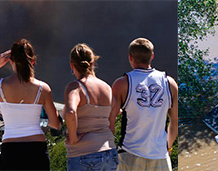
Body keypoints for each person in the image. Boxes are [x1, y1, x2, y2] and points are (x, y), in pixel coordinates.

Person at [0, 39, 61, 170]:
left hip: (11, 150)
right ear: (33, 61)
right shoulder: (43, 88)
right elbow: (55, 124)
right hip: (36, 149)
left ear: (10, 61)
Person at [110, 38, 178, 171]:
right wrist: (167, 147)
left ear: (130, 57)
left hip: (130, 154)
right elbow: (174, 123)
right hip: (160, 156)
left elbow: (110, 122)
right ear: (152, 56)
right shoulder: (170, 84)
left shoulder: (122, 84)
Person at [63, 44, 118, 171]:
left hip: (84, 154)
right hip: (109, 151)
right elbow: (113, 118)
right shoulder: (107, 88)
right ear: (93, 63)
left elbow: (71, 112)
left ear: (72, 65)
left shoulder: (75, 87)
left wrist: (73, 138)